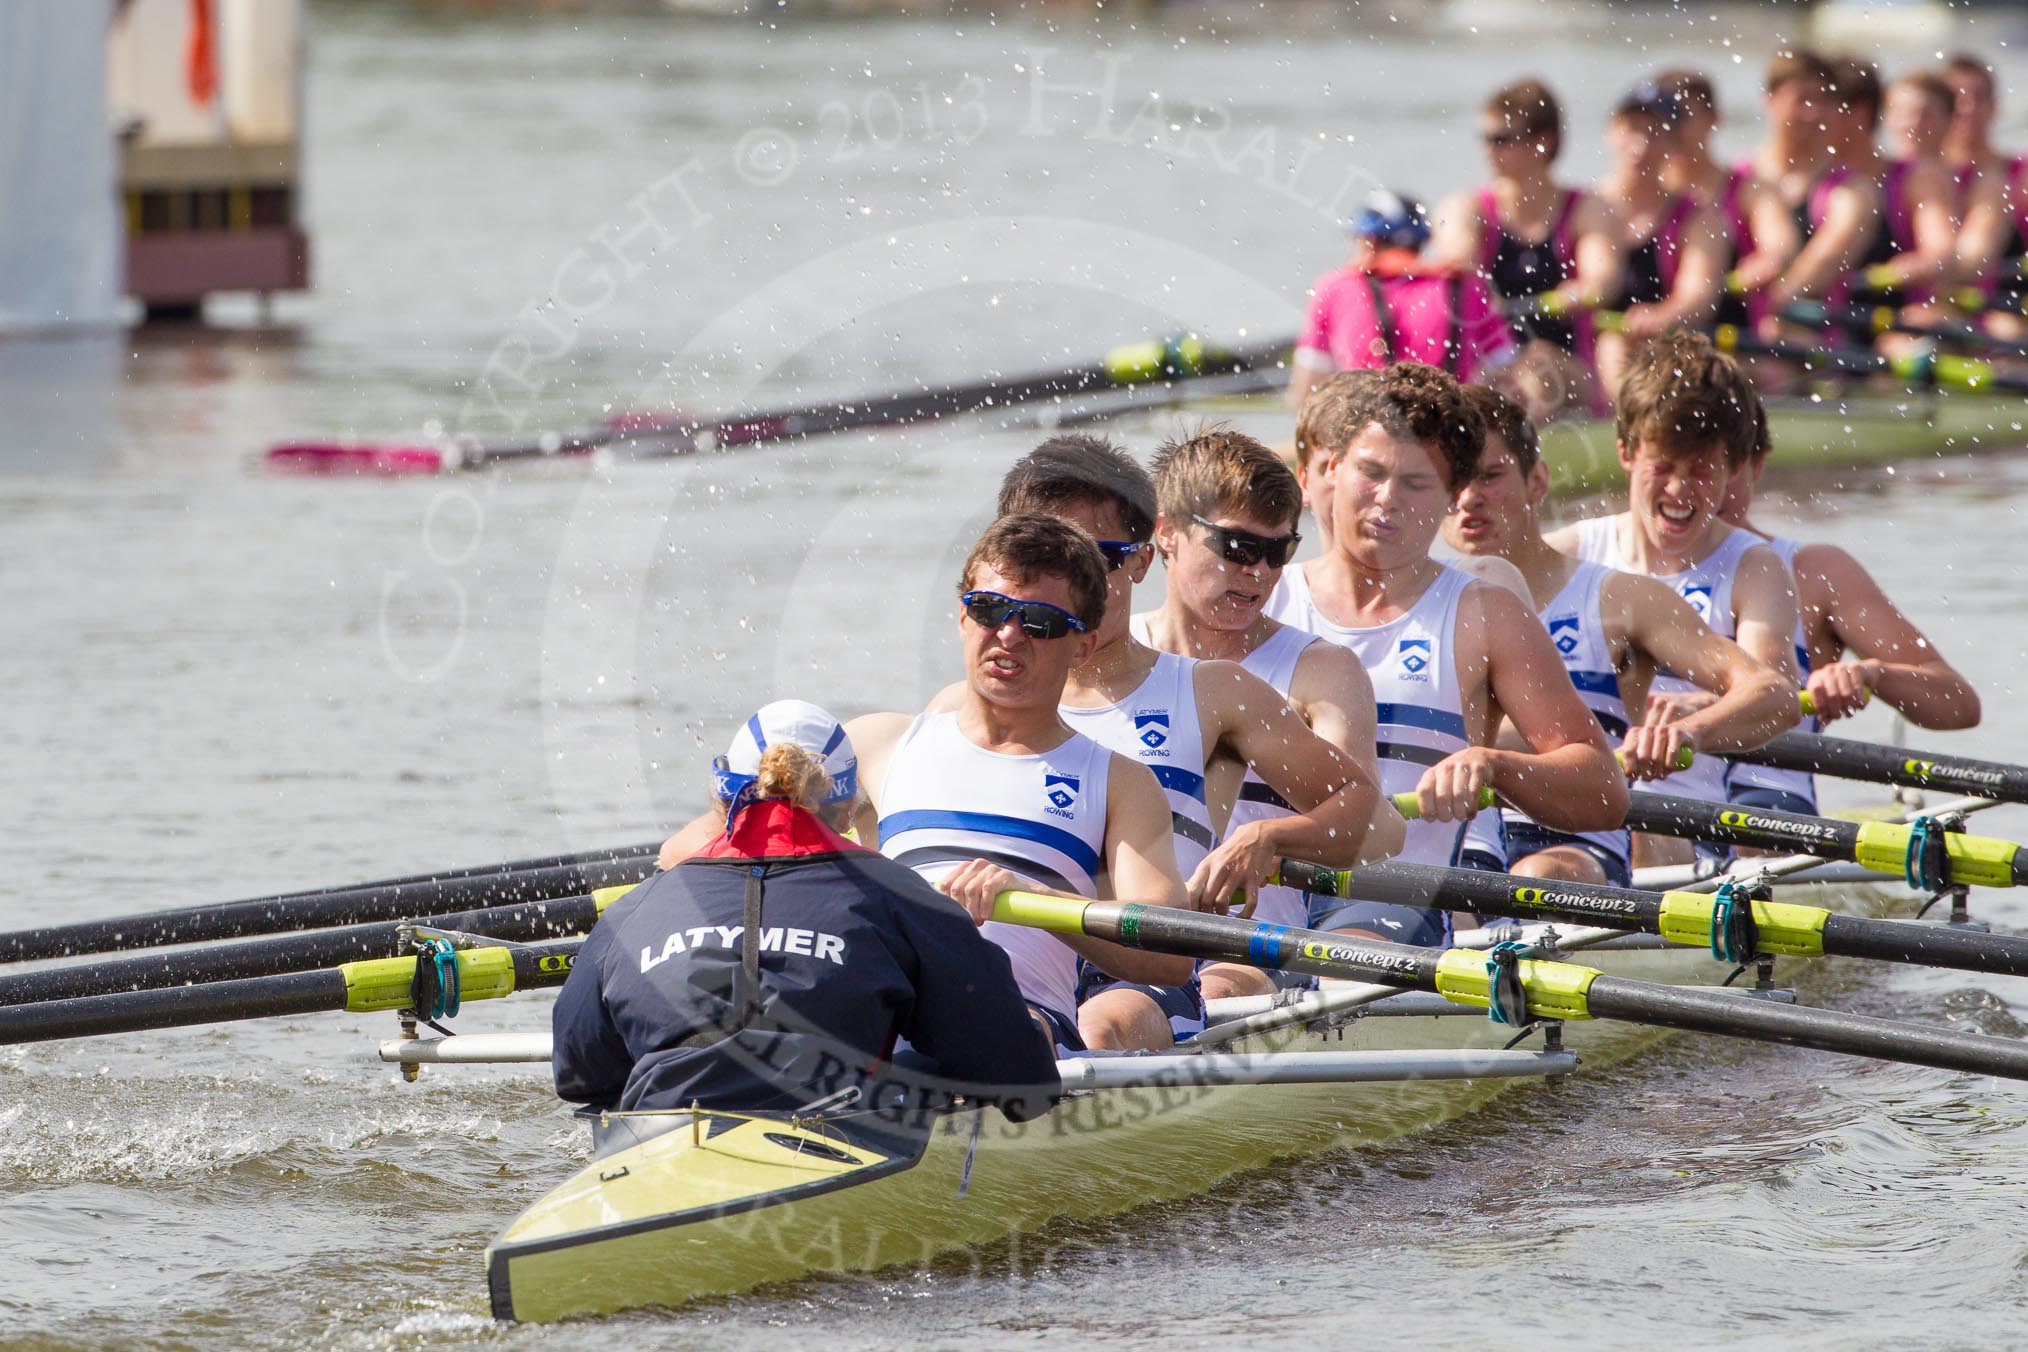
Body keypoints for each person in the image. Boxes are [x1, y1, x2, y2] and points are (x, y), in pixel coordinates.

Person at [981, 434, 1398, 1025]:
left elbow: (1374, 821)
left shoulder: (1214, 691)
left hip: (1158, 967)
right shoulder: (969, 705)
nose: (1061, 586)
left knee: (1104, 1024)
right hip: (1024, 959)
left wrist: (1272, 837)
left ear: (1144, 555)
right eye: (1036, 564)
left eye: (1089, 559)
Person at [552, 699, 1059, 1121]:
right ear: (846, 807)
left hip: (661, 1133)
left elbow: (578, 1075)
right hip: (841, 1130)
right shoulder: (906, 900)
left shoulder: (638, 907)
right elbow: (1024, 1080)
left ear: (720, 796)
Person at [1269, 362, 1628, 943]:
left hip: (1394, 898)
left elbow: (1603, 793)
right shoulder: (1258, 599)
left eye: (1415, 484)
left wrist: (1495, 764)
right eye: (1371, 472)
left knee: (1338, 953)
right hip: (1261, 890)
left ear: (1447, 500)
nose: (1387, 499)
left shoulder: (1485, 614)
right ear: (1331, 468)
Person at [848, 513, 1198, 1055]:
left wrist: (1038, 898)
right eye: (990, 609)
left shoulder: (1119, 781)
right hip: (882, 1005)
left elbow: (1169, 957)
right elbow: (699, 843)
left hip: (1021, 1024)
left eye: (1039, 621)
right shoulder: (878, 745)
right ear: (963, 617)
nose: (1009, 633)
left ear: (1082, 645)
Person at [1442, 385, 1795, 884]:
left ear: (1537, 480)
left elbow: (1775, 694)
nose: (1469, 498)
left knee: (1535, 874)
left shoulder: (1621, 599)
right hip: (1458, 831)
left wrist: (1689, 730)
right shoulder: (1410, 607)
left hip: (1572, 838)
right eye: (1452, 481)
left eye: (1490, 476)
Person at [1132, 425, 1402, 997]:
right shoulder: (1108, 656)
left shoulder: (1321, 670)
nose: (1258, 573)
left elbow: (1378, 829)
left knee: (1210, 993)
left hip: (1249, 948)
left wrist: (1271, 836)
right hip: (1115, 938)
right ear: (1168, 534)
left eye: (1278, 552)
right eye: (1238, 548)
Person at [1547, 331, 1800, 866]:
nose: (1680, 491)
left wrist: (1693, 725)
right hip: (1553, 817)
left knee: (1626, 826)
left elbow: (1775, 696)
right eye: (1663, 466)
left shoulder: (1755, 568)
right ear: (1625, 452)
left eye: (1701, 470)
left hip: (1680, 822)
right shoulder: (1567, 555)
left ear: (1733, 468)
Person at [1717, 396, 1980, 815]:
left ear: (1756, 464)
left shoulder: (1817, 572)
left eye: (1722, 466)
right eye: (1678, 465)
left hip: (1769, 806)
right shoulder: (1610, 571)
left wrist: (1870, 674)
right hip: (1649, 805)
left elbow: (1958, 704)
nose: (1695, 487)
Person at [1430, 78, 1621, 416]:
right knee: (1500, 373)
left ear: (1542, 143)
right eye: (1486, 139)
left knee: (1537, 364)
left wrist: (1575, 295)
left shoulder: (1587, 209)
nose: (1490, 150)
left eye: (1503, 139)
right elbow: (1455, 264)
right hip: (1489, 363)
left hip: (1569, 366)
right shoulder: (1468, 209)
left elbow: (1603, 281)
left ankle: (1517, 453)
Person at [1287, 188, 1520, 413]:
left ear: (1369, 242)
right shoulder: (1466, 286)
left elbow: (1304, 394)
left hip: (1368, 432)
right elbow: (1506, 381)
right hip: (1450, 433)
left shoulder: (1335, 287)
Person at [1591, 82, 1729, 395]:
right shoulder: (1585, 208)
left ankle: (1628, 423)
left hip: (1672, 347)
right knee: (1611, 344)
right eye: (1631, 130)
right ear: (1611, 133)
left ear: (1674, 145)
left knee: (1616, 344)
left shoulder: (1700, 217)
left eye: (1654, 133)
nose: (1639, 145)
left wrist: (1661, 316)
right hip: (1589, 355)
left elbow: (1698, 297)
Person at [1655, 67, 1800, 333]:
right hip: (1660, 333)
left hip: (1738, 335)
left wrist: (1771, 259)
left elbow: (1780, 243)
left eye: (1681, 117)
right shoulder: (1638, 196)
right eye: (1663, 119)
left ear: (1713, 119)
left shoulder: (1750, 188)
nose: (1671, 129)